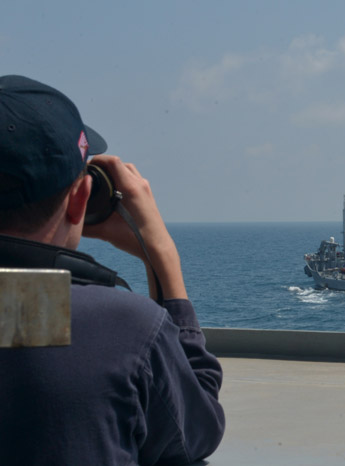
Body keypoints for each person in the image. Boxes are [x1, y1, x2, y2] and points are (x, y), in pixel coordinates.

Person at [0, 75, 225, 464]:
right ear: (82, 198)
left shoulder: (23, 315)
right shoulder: (119, 326)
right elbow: (196, 434)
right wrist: (161, 256)